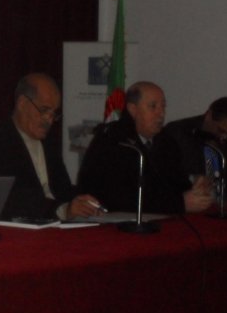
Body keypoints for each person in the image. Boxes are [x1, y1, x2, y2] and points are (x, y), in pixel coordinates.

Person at [0, 73, 102, 221]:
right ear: (22, 104)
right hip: (22, 229)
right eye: (44, 110)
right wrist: (62, 210)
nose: (49, 120)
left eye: (54, 113)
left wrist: (85, 202)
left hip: (57, 225)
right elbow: (9, 200)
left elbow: (62, 189)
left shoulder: (49, 143)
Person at [77, 81, 213, 214]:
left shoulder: (166, 141)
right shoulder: (113, 141)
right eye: (153, 106)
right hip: (111, 221)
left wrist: (195, 190)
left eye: (163, 106)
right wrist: (179, 203)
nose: (161, 113)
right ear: (133, 109)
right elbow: (118, 198)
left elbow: (174, 182)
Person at [163, 97, 227, 201]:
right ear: (209, 115)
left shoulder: (222, 138)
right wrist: (194, 179)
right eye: (221, 130)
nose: (224, 138)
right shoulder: (176, 133)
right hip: (187, 199)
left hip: (218, 201)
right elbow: (166, 176)